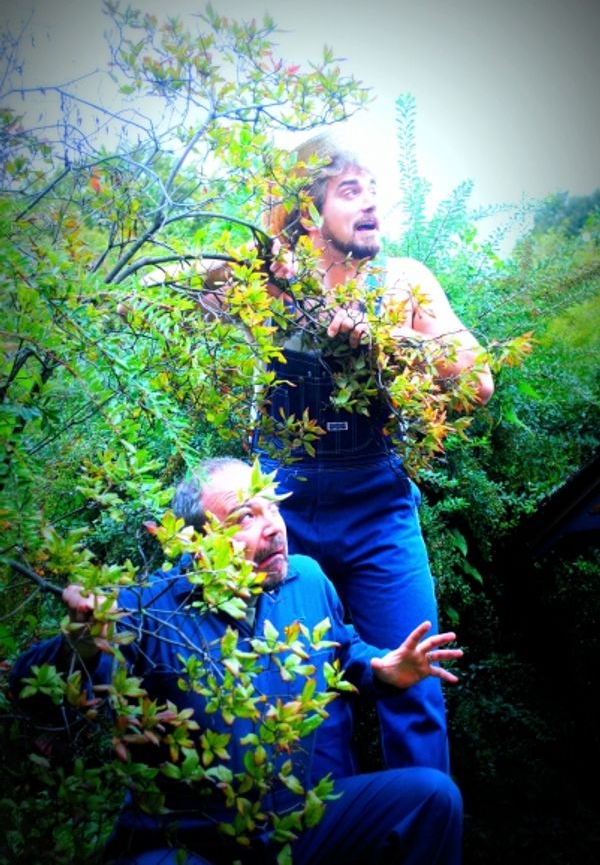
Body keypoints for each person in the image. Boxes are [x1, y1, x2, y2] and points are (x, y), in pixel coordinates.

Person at [10, 457, 463, 865]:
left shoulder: (307, 579)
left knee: (431, 797)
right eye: (247, 515)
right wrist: (82, 643)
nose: (274, 527)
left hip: (299, 823)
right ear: (196, 542)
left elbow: (343, 653)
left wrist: (382, 670)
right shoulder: (145, 613)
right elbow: (32, 690)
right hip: (191, 843)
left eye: (274, 507)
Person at [250, 132, 495, 774]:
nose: (370, 205)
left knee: (417, 686)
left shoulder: (405, 281)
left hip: (379, 513)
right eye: (349, 190)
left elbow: (477, 382)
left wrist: (388, 343)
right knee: (294, 690)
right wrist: (260, 254)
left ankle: (423, 824)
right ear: (311, 211)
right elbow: (181, 285)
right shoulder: (273, 283)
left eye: (374, 191)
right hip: (282, 516)